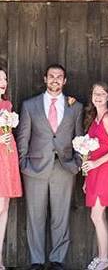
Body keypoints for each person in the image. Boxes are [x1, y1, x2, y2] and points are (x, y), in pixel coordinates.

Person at [16, 63, 84, 270]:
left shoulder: (76, 107)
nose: (55, 79)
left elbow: (79, 137)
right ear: (45, 79)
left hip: (64, 168)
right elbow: (23, 138)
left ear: (65, 81)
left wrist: (77, 162)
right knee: (35, 216)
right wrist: (23, 164)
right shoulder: (30, 105)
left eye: (59, 76)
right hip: (34, 169)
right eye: (51, 76)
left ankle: (57, 260)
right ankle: (36, 260)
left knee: (60, 216)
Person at [82, 82, 108, 270]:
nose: (98, 96)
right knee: (98, 215)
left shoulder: (107, 118)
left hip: (105, 170)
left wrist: (97, 164)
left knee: (97, 214)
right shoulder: (94, 119)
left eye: (102, 94)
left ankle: (105, 259)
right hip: (93, 171)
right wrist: (86, 178)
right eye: (95, 93)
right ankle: (102, 257)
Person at [0, 67, 22, 270]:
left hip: (6, 156)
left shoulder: (7, 104)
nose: (3, 82)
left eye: (5, 78)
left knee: (4, 207)